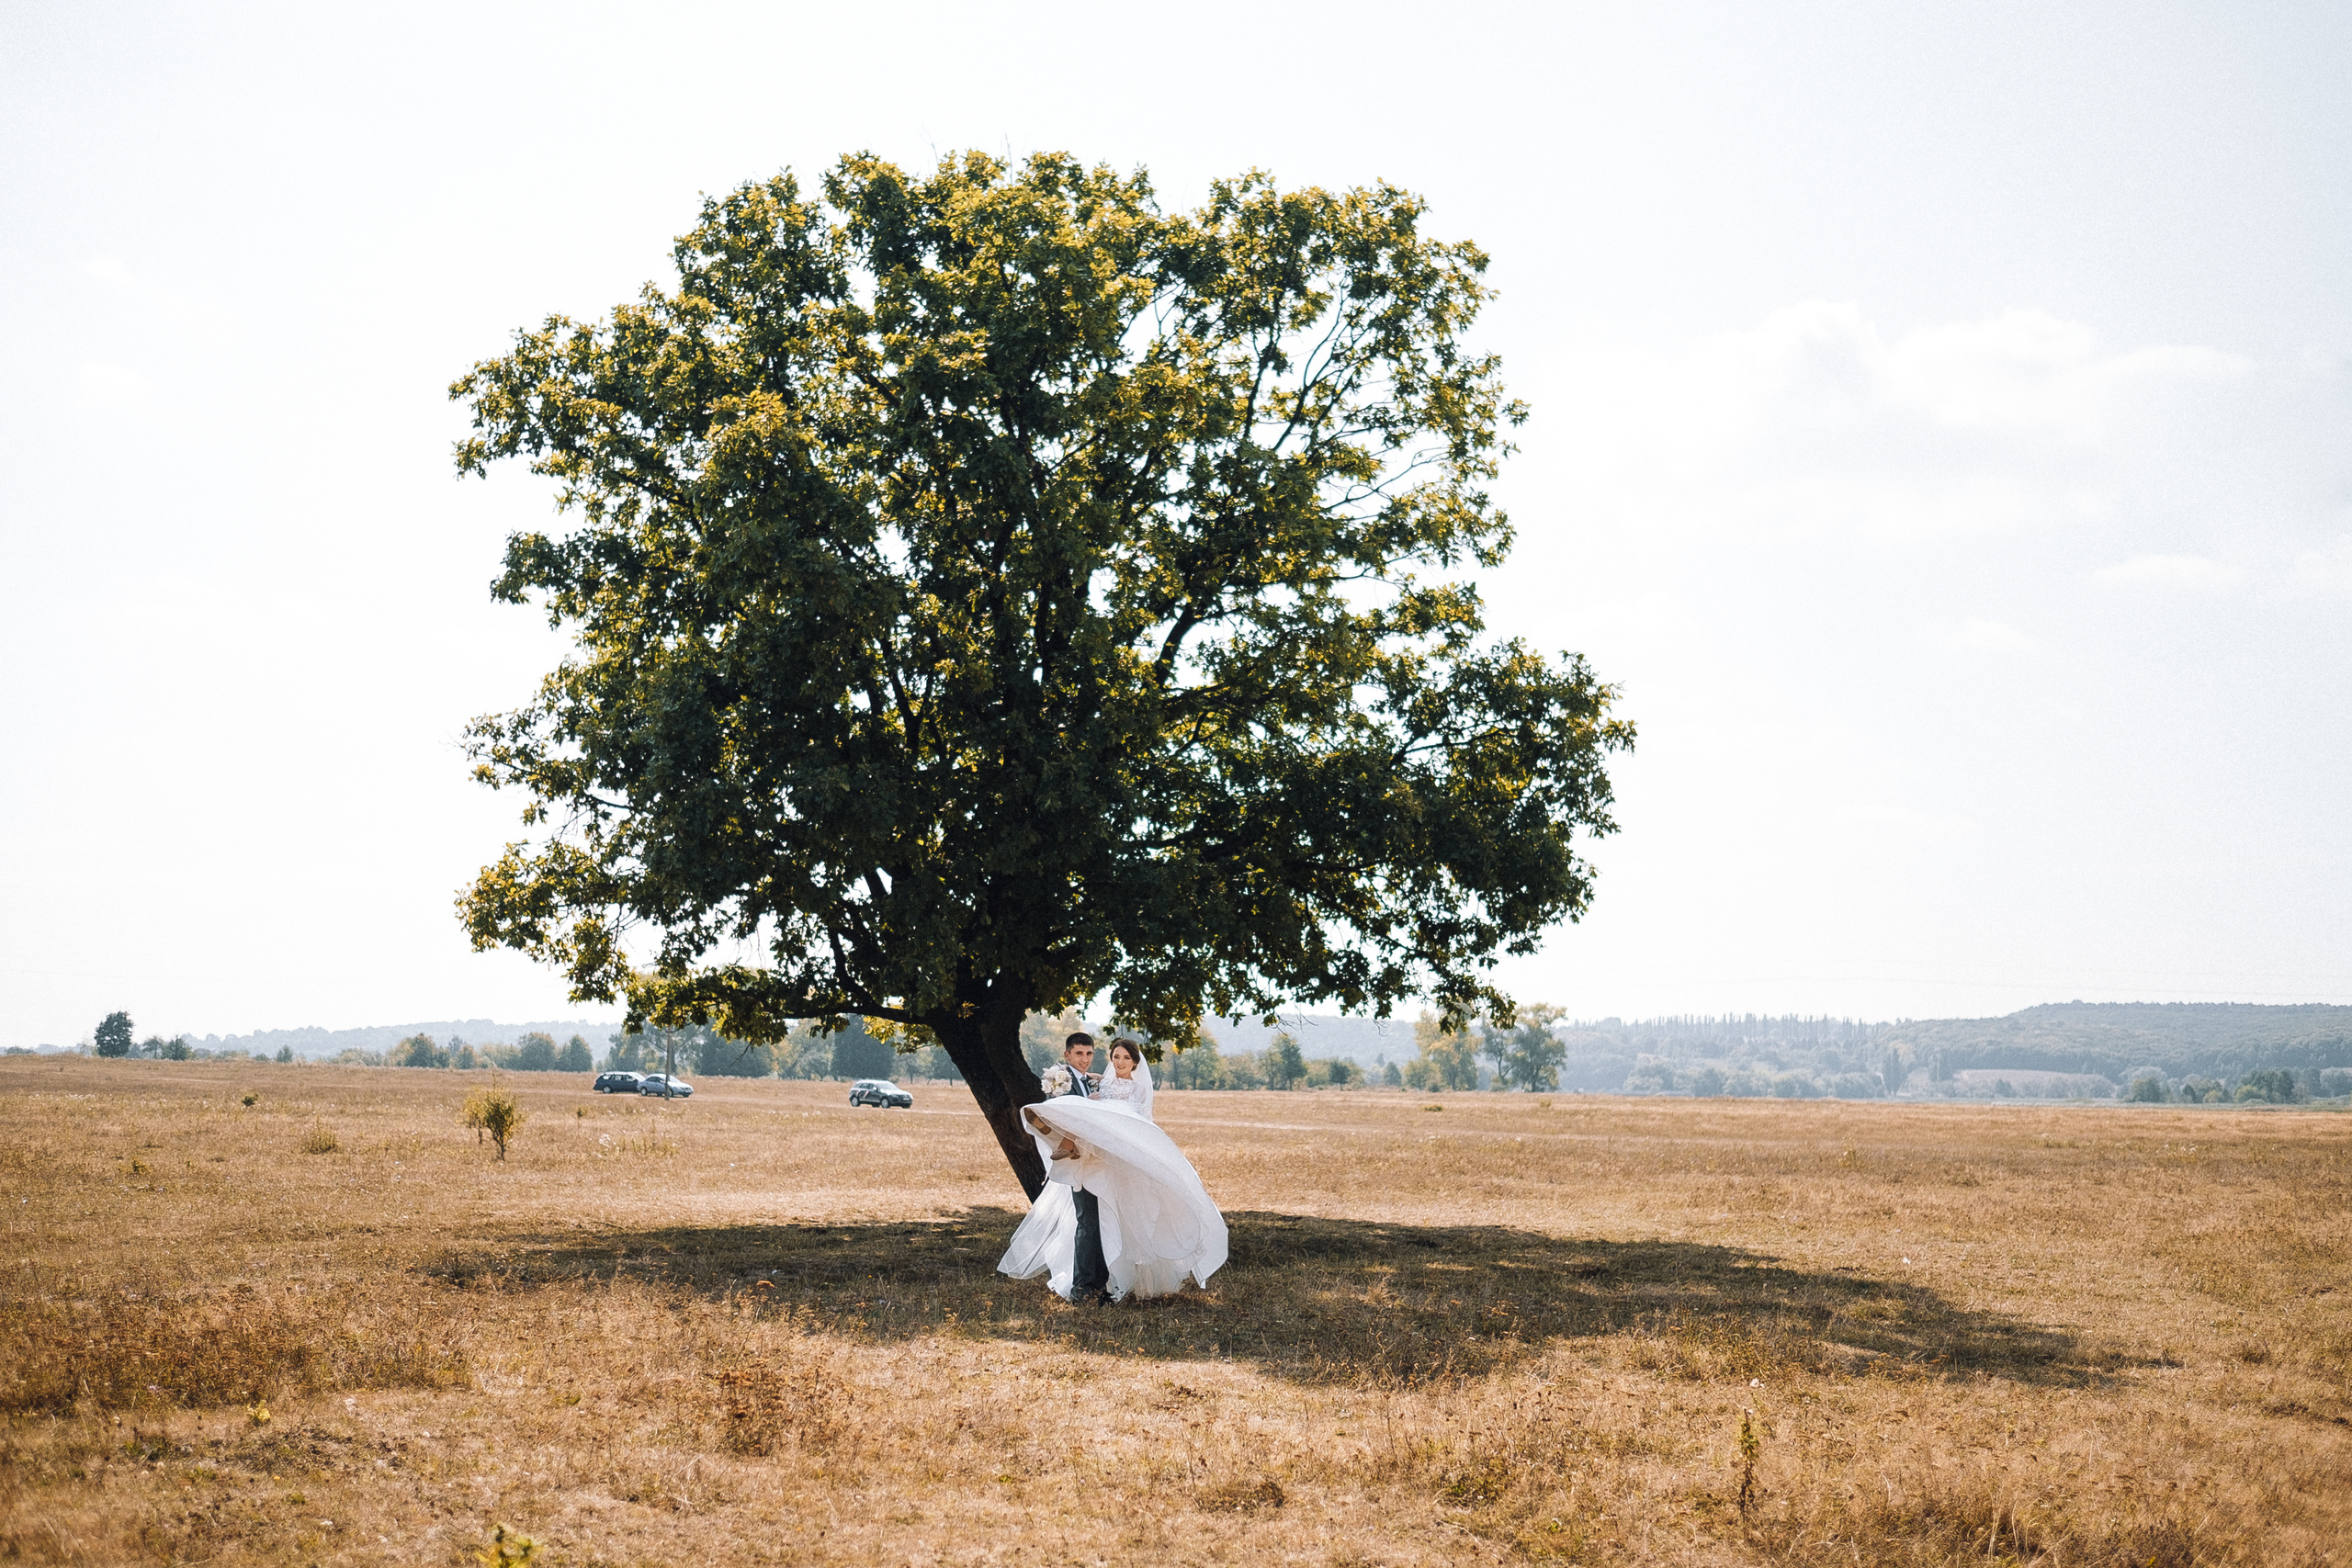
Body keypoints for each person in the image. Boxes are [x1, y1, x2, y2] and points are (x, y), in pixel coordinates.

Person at [998, 1034, 1227, 1303]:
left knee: (1104, 1223)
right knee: (1087, 1223)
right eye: (1115, 1057)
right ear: (1069, 1055)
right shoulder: (1079, 1083)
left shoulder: (1106, 1085)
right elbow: (1072, 1110)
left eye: (1126, 1058)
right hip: (1082, 1164)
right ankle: (1084, 1287)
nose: (1119, 1062)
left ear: (1134, 1063)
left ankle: (1099, 1284)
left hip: (1107, 1164)